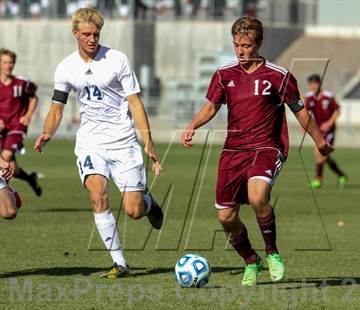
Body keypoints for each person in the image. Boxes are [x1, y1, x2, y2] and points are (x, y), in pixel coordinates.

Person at [181, 16, 333, 287]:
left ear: (259, 43)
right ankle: (252, 261)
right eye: (236, 45)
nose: (240, 50)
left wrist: (319, 140)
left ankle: (272, 253)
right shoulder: (224, 74)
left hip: (266, 147)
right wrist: (193, 125)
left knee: (257, 196)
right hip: (233, 151)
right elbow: (211, 106)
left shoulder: (278, 75)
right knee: (225, 216)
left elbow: (300, 111)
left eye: (246, 45)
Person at [34, 8, 163, 279]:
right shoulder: (66, 67)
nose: (92, 39)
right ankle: (120, 263)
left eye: (96, 34)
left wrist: (147, 140)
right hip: (90, 143)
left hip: (124, 141)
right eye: (86, 34)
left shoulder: (117, 59)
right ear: (75, 34)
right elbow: (57, 109)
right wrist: (48, 132)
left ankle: (149, 204)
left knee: (134, 210)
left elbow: (135, 103)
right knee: (98, 196)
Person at [0, 48, 42, 196]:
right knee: (11, 166)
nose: (8, 65)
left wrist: (28, 115)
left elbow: (34, 97)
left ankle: (6, 196)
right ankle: (30, 178)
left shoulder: (21, 82)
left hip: (16, 127)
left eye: (11, 62)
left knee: (4, 157)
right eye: (5, 62)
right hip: (1, 129)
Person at [304, 74, 348, 189]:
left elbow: (337, 111)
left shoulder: (328, 96)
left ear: (319, 84)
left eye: (315, 84)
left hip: (329, 131)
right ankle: (341, 175)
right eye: (311, 84)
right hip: (318, 130)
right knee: (324, 157)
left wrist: (329, 123)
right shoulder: (309, 97)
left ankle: (318, 179)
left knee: (319, 152)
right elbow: (304, 112)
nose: (313, 86)